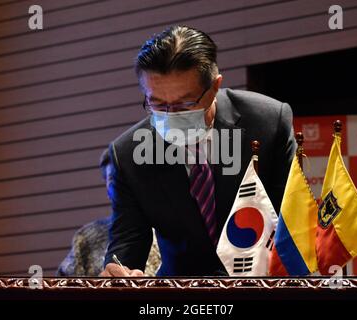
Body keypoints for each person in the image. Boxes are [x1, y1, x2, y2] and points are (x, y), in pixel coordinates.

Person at [100, 26, 296, 277]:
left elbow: (289, 217)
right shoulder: (128, 153)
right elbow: (127, 239)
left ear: (215, 86)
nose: (171, 116)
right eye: (158, 104)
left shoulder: (268, 123)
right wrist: (119, 271)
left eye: (185, 104)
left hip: (262, 280)